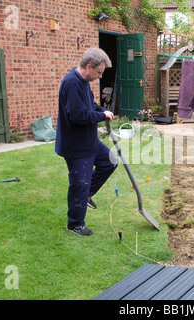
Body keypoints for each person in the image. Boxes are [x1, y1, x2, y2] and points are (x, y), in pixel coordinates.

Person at [56, 47, 118, 236]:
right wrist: (100, 115)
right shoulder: (72, 83)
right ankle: (75, 224)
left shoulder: (83, 82)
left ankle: (85, 195)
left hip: (89, 141)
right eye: (99, 73)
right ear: (89, 66)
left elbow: (90, 105)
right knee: (79, 183)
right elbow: (77, 115)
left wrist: (102, 111)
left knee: (110, 161)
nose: (100, 77)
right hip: (76, 145)